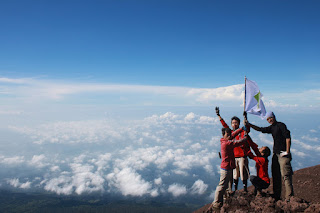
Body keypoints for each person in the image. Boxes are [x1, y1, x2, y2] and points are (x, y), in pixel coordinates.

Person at [246, 111, 294, 201]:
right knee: (276, 175)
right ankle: (276, 195)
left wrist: (287, 151)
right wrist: (249, 124)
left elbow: (288, 137)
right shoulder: (272, 128)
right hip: (275, 154)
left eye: (270, 118)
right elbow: (260, 129)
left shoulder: (281, 125)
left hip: (283, 154)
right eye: (267, 119)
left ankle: (289, 197)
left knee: (285, 175)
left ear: (274, 117)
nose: (269, 120)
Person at [215, 107, 260, 192]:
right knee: (235, 175)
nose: (234, 124)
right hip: (234, 157)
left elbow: (247, 128)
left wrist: (245, 118)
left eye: (236, 123)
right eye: (233, 123)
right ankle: (235, 190)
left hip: (242, 156)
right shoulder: (231, 134)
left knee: (243, 175)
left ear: (239, 124)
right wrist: (218, 115)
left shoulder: (243, 132)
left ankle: (245, 189)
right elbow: (224, 125)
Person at [207, 127, 248, 211]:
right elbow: (238, 142)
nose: (229, 136)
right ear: (223, 135)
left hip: (229, 167)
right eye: (227, 134)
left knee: (227, 185)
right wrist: (245, 137)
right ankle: (216, 203)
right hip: (226, 168)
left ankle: (224, 199)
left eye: (229, 134)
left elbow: (233, 135)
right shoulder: (226, 143)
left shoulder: (225, 140)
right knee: (222, 186)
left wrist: (241, 129)